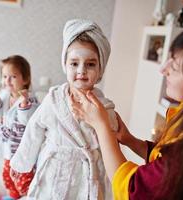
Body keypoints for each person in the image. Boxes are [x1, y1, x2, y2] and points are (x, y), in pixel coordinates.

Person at [69, 22, 183, 199]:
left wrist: (102, 127)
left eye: (174, 67)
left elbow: (131, 189)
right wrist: (131, 140)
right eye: (74, 63)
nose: (163, 69)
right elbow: (162, 158)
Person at [9, 19, 118, 200]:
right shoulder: (54, 100)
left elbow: (110, 144)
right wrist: (21, 164)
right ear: (65, 65)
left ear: (100, 70)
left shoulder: (105, 108)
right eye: (74, 63)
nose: (81, 70)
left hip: (88, 175)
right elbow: (34, 129)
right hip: (55, 172)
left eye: (90, 64)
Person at [0, 55, 39, 200]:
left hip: (23, 147)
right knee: (7, 174)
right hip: (8, 145)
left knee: (23, 176)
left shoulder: (31, 100)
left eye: (13, 77)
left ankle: (29, 195)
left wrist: (23, 104)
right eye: (4, 76)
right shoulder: (4, 94)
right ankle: (13, 196)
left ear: (26, 79)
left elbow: (26, 120)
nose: (7, 81)